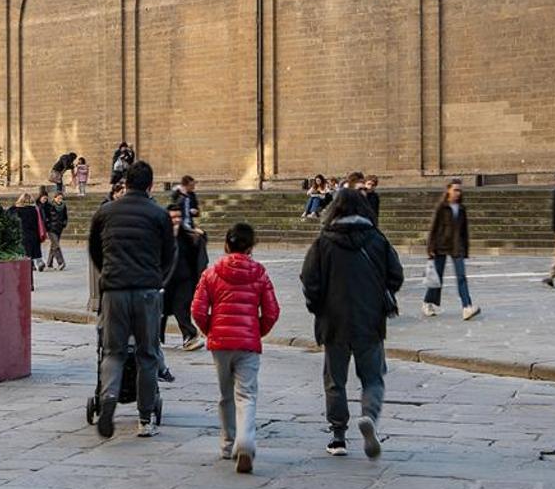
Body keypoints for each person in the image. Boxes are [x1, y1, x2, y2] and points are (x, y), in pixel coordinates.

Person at [300, 187, 403, 459]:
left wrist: (317, 306)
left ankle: (338, 437)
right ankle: (368, 416)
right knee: (372, 378)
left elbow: (309, 279)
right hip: (369, 320)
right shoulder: (377, 239)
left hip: (333, 322)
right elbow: (396, 275)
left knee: (335, 381)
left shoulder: (323, 242)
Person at [86, 161, 175, 439]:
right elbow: (170, 255)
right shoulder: (159, 214)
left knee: (113, 352)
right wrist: (157, 279)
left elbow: (94, 250)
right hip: (147, 291)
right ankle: (145, 419)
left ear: (125, 183)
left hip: (114, 291)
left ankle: (109, 396)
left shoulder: (106, 212)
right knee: (147, 354)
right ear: (150, 185)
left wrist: (109, 274)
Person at [191, 222, 280, 474]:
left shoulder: (211, 273)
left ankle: (228, 442)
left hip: (220, 342)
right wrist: (257, 330)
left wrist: (210, 330)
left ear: (226, 244)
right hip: (248, 342)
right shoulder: (260, 273)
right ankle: (246, 441)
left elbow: (197, 309)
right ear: (251, 247)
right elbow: (272, 311)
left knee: (225, 394)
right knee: (247, 394)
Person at [421, 179, 479, 320]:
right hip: (441, 245)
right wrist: (430, 247)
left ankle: (467, 306)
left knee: (461, 277)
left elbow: (464, 231)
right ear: (448, 190)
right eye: (455, 189)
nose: (457, 193)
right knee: (437, 278)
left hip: (456, 246)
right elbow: (433, 228)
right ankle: (428, 302)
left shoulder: (462, 209)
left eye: (459, 190)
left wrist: (465, 249)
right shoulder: (441, 207)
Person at [164, 204, 208, 351]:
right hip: (165, 280)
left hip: (185, 280)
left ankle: (190, 336)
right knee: (159, 311)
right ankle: (152, 337)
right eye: (172, 217)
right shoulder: (160, 236)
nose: (176, 220)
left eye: (178, 217)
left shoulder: (189, 235)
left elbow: (198, 250)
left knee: (181, 308)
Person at [13, 193, 45, 274]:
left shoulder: (18, 210)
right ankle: (39, 262)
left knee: (27, 251)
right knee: (37, 250)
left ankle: (30, 264)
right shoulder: (35, 209)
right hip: (34, 232)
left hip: (23, 233)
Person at [41, 190, 69, 271]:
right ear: (55, 198)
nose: (60, 200)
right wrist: (47, 224)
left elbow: (65, 216)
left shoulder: (63, 206)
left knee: (53, 246)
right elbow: (45, 215)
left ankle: (49, 264)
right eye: (59, 198)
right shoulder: (50, 206)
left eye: (61, 198)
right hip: (51, 229)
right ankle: (61, 262)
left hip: (59, 228)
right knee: (56, 245)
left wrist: (64, 223)